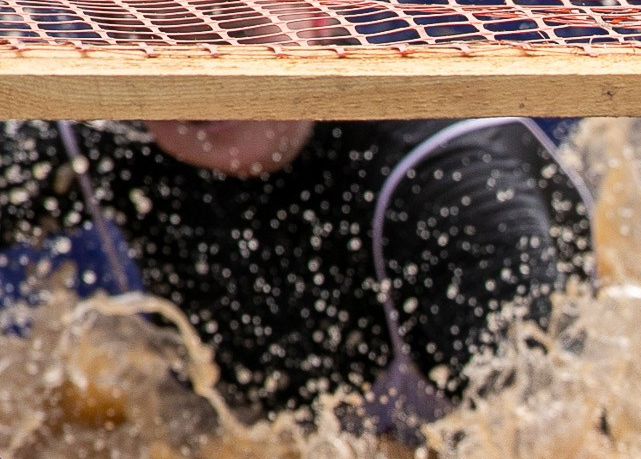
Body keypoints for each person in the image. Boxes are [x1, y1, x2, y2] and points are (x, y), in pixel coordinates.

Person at [0, 115, 592, 435]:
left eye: (233, 28)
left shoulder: (453, 192)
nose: (202, 82)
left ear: (309, 13)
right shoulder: (109, 136)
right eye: (166, 42)